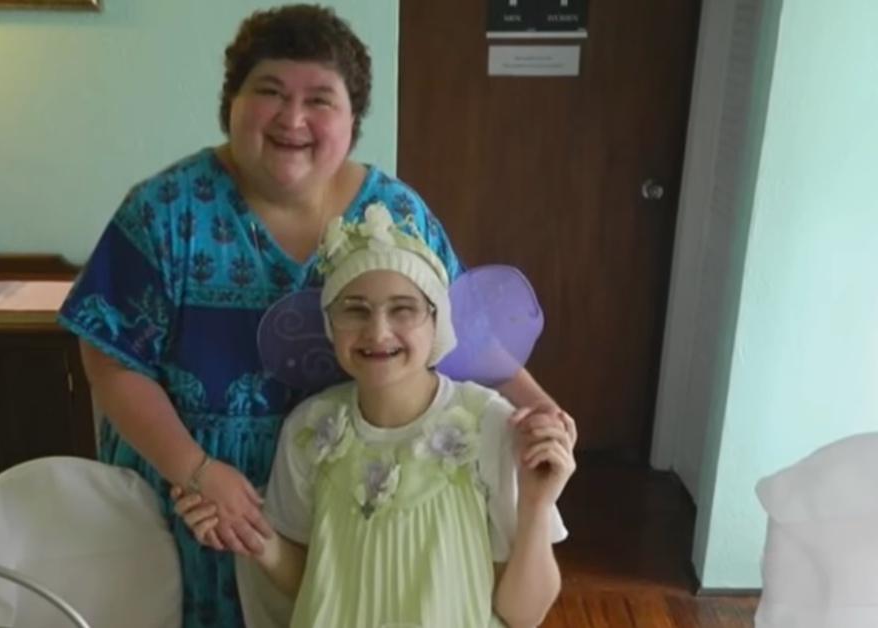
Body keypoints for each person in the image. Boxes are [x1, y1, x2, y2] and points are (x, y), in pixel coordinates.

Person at [58, 5, 569, 626]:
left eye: (320, 100)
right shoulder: (166, 211)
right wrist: (194, 470)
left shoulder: (394, 212)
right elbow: (111, 358)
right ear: (232, 103)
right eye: (268, 91)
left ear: (353, 120)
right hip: (191, 497)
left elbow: (456, 329)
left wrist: (538, 409)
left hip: (339, 505)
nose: (292, 119)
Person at [176, 204, 577, 627]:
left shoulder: (487, 424)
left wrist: (536, 504)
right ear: (330, 325)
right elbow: (311, 586)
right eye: (355, 309)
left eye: (403, 309)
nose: (378, 331)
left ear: (437, 321)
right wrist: (256, 539)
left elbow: (525, 613)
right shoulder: (310, 429)